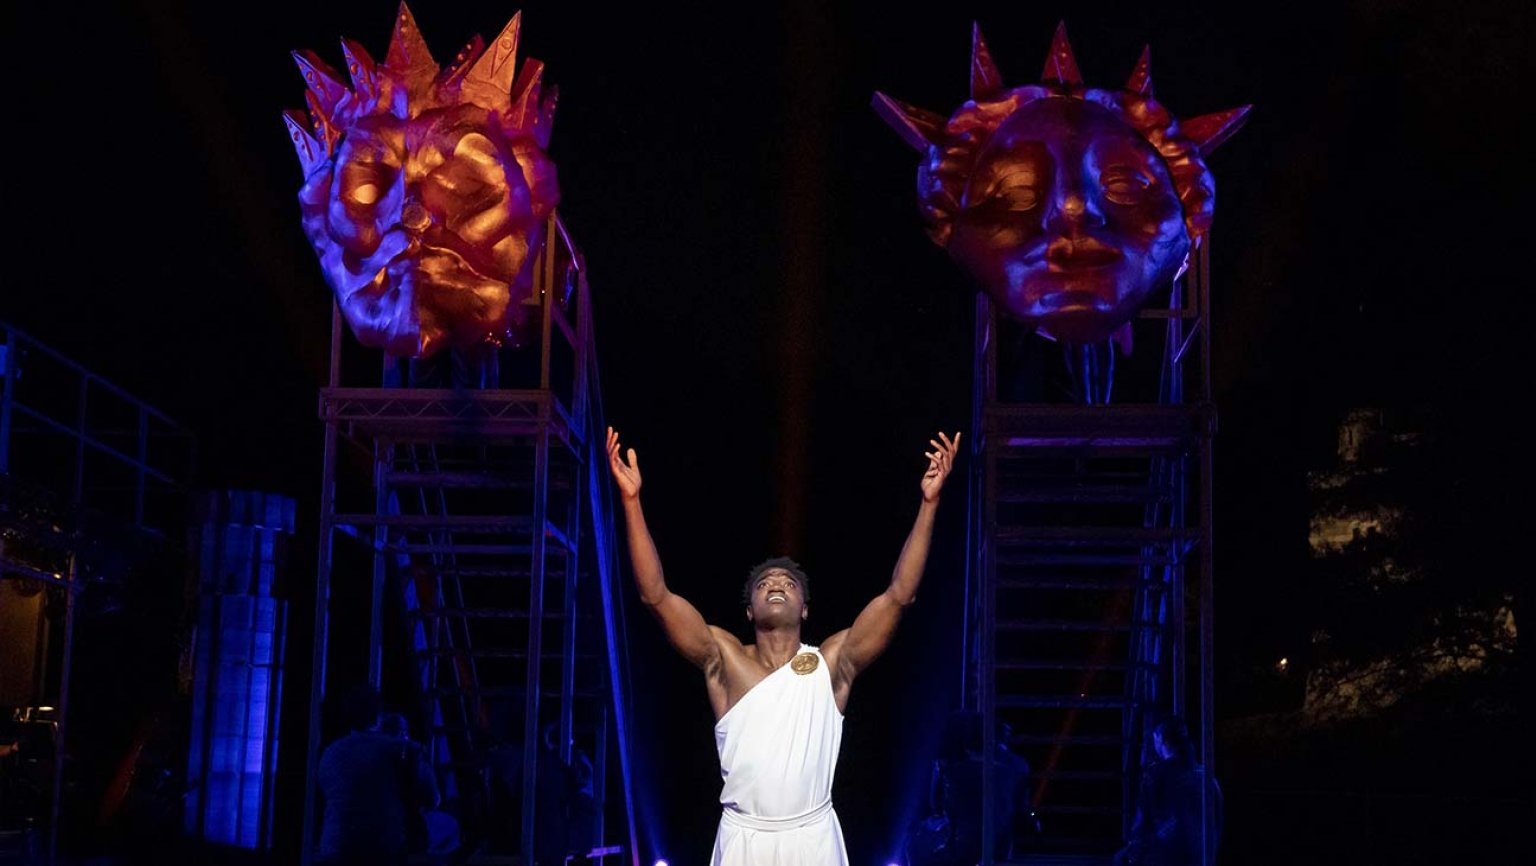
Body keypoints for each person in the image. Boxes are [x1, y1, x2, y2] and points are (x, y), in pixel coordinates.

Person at [607, 426, 961, 866]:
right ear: (750, 611)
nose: (776, 584)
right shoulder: (724, 657)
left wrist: (929, 504)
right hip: (743, 839)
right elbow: (655, 596)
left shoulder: (832, 662)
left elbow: (899, 595)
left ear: (805, 609)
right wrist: (631, 502)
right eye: (764, 584)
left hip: (812, 836)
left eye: (788, 582)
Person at [315, 686, 439, 866]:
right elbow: (433, 799)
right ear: (379, 716)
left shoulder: (330, 752)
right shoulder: (402, 749)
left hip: (334, 847)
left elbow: (327, 793)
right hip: (383, 849)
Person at [1115, 717, 1223, 866]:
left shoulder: (1156, 775)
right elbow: (1217, 824)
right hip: (1200, 857)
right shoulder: (1208, 778)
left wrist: (1132, 854)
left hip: (1166, 857)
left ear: (1160, 740)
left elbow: (1141, 825)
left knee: (1120, 859)